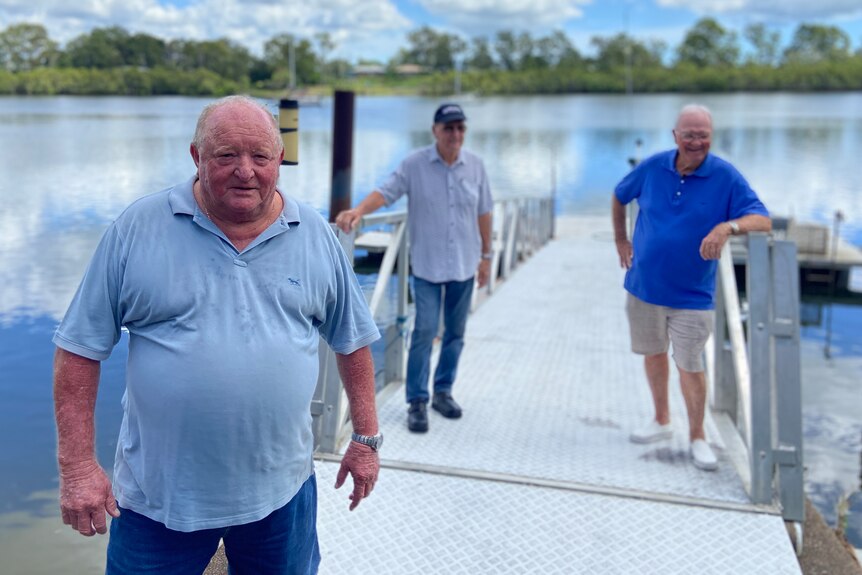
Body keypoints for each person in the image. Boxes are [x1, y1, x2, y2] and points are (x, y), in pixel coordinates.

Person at [52, 95, 382, 574]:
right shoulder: (137, 229)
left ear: (279, 160)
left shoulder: (314, 234)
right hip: (157, 503)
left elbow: (353, 340)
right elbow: (78, 350)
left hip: (281, 495)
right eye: (227, 156)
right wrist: (78, 467)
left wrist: (366, 439)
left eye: (261, 157)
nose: (245, 171)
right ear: (196, 157)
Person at [611, 104, 771, 471]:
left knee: (690, 365)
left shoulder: (726, 176)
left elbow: (762, 219)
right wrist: (621, 240)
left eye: (703, 135)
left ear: (711, 137)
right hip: (643, 287)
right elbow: (620, 196)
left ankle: (698, 435)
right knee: (652, 355)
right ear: (675, 137)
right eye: (689, 134)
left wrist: (726, 227)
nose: (696, 142)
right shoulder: (653, 167)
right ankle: (662, 419)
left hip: (693, 296)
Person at [335, 103, 493, 433]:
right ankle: (417, 400)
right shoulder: (415, 164)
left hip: (465, 265)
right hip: (427, 266)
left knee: (455, 334)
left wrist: (487, 257)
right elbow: (387, 192)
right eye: (448, 128)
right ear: (435, 130)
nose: (455, 134)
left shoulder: (476, 166)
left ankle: (443, 392)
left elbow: (484, 212)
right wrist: (359, 210)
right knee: (423, 332)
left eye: (460, 128)